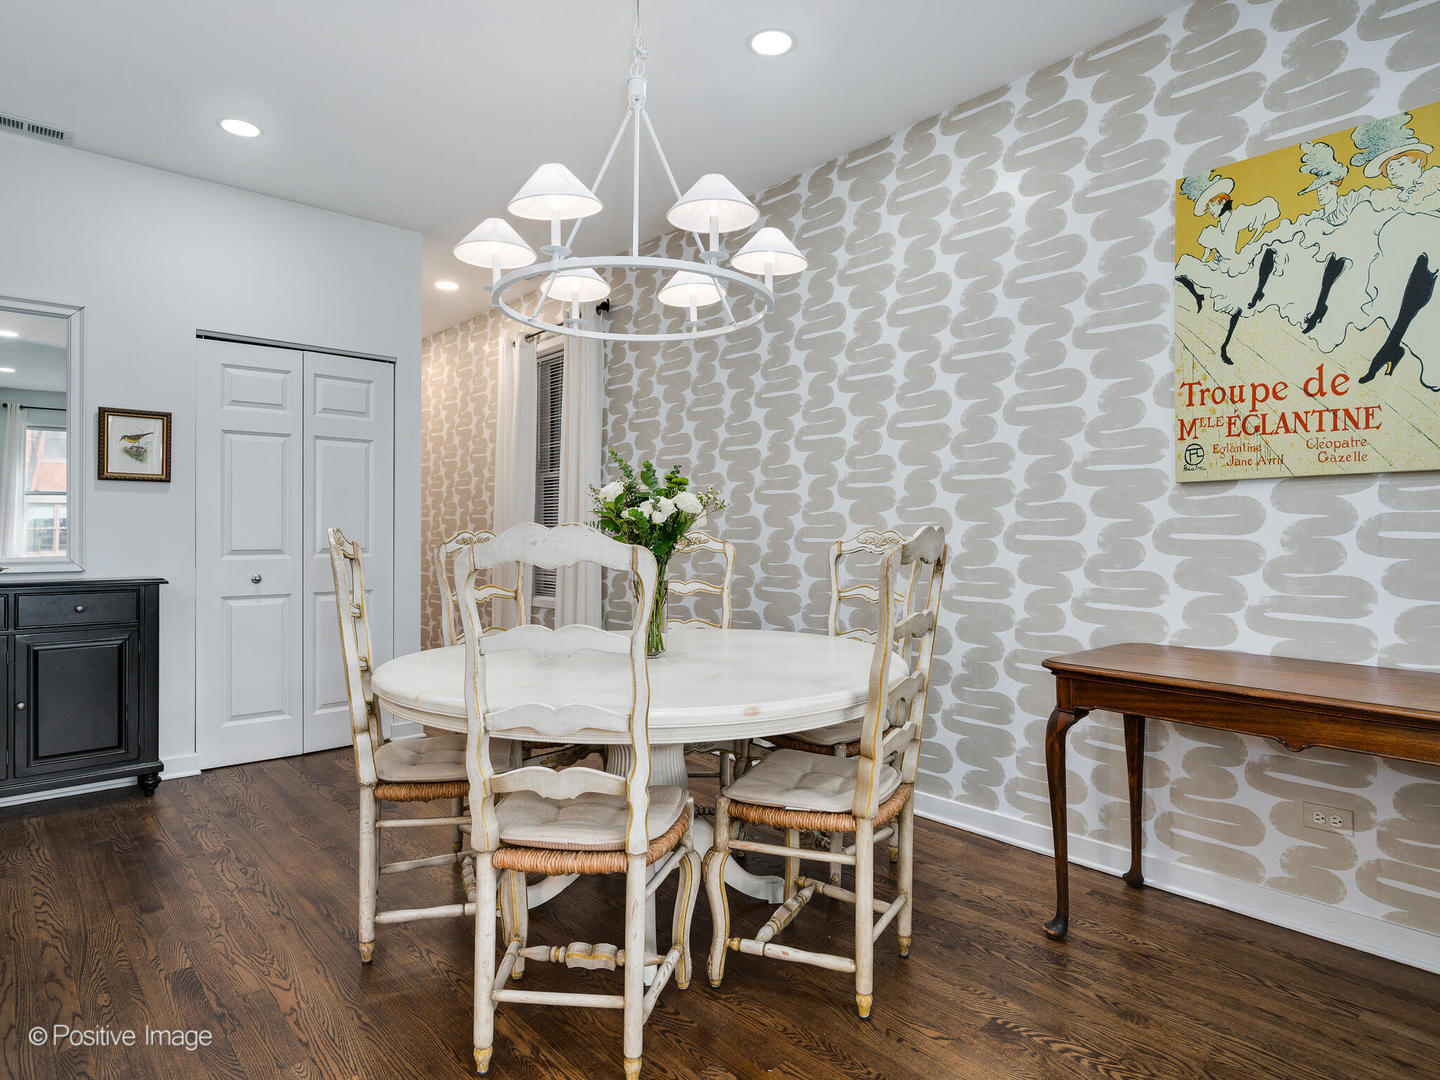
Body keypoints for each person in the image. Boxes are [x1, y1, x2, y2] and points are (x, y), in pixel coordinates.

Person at [1174, 172, 1280, 364]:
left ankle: (1224, 347)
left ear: (1222, 200)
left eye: (1211, 204)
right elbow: (1206, 255)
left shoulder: (1239, 216)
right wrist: (1204, 265)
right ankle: (1198, 296)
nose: (1209, 210)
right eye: (1207, 207)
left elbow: (1268, 210)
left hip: (1237, 268)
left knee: (1238, 308)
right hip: (1219, 266)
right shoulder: (1213, 230)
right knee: (1181, 267)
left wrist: (1254, 241)